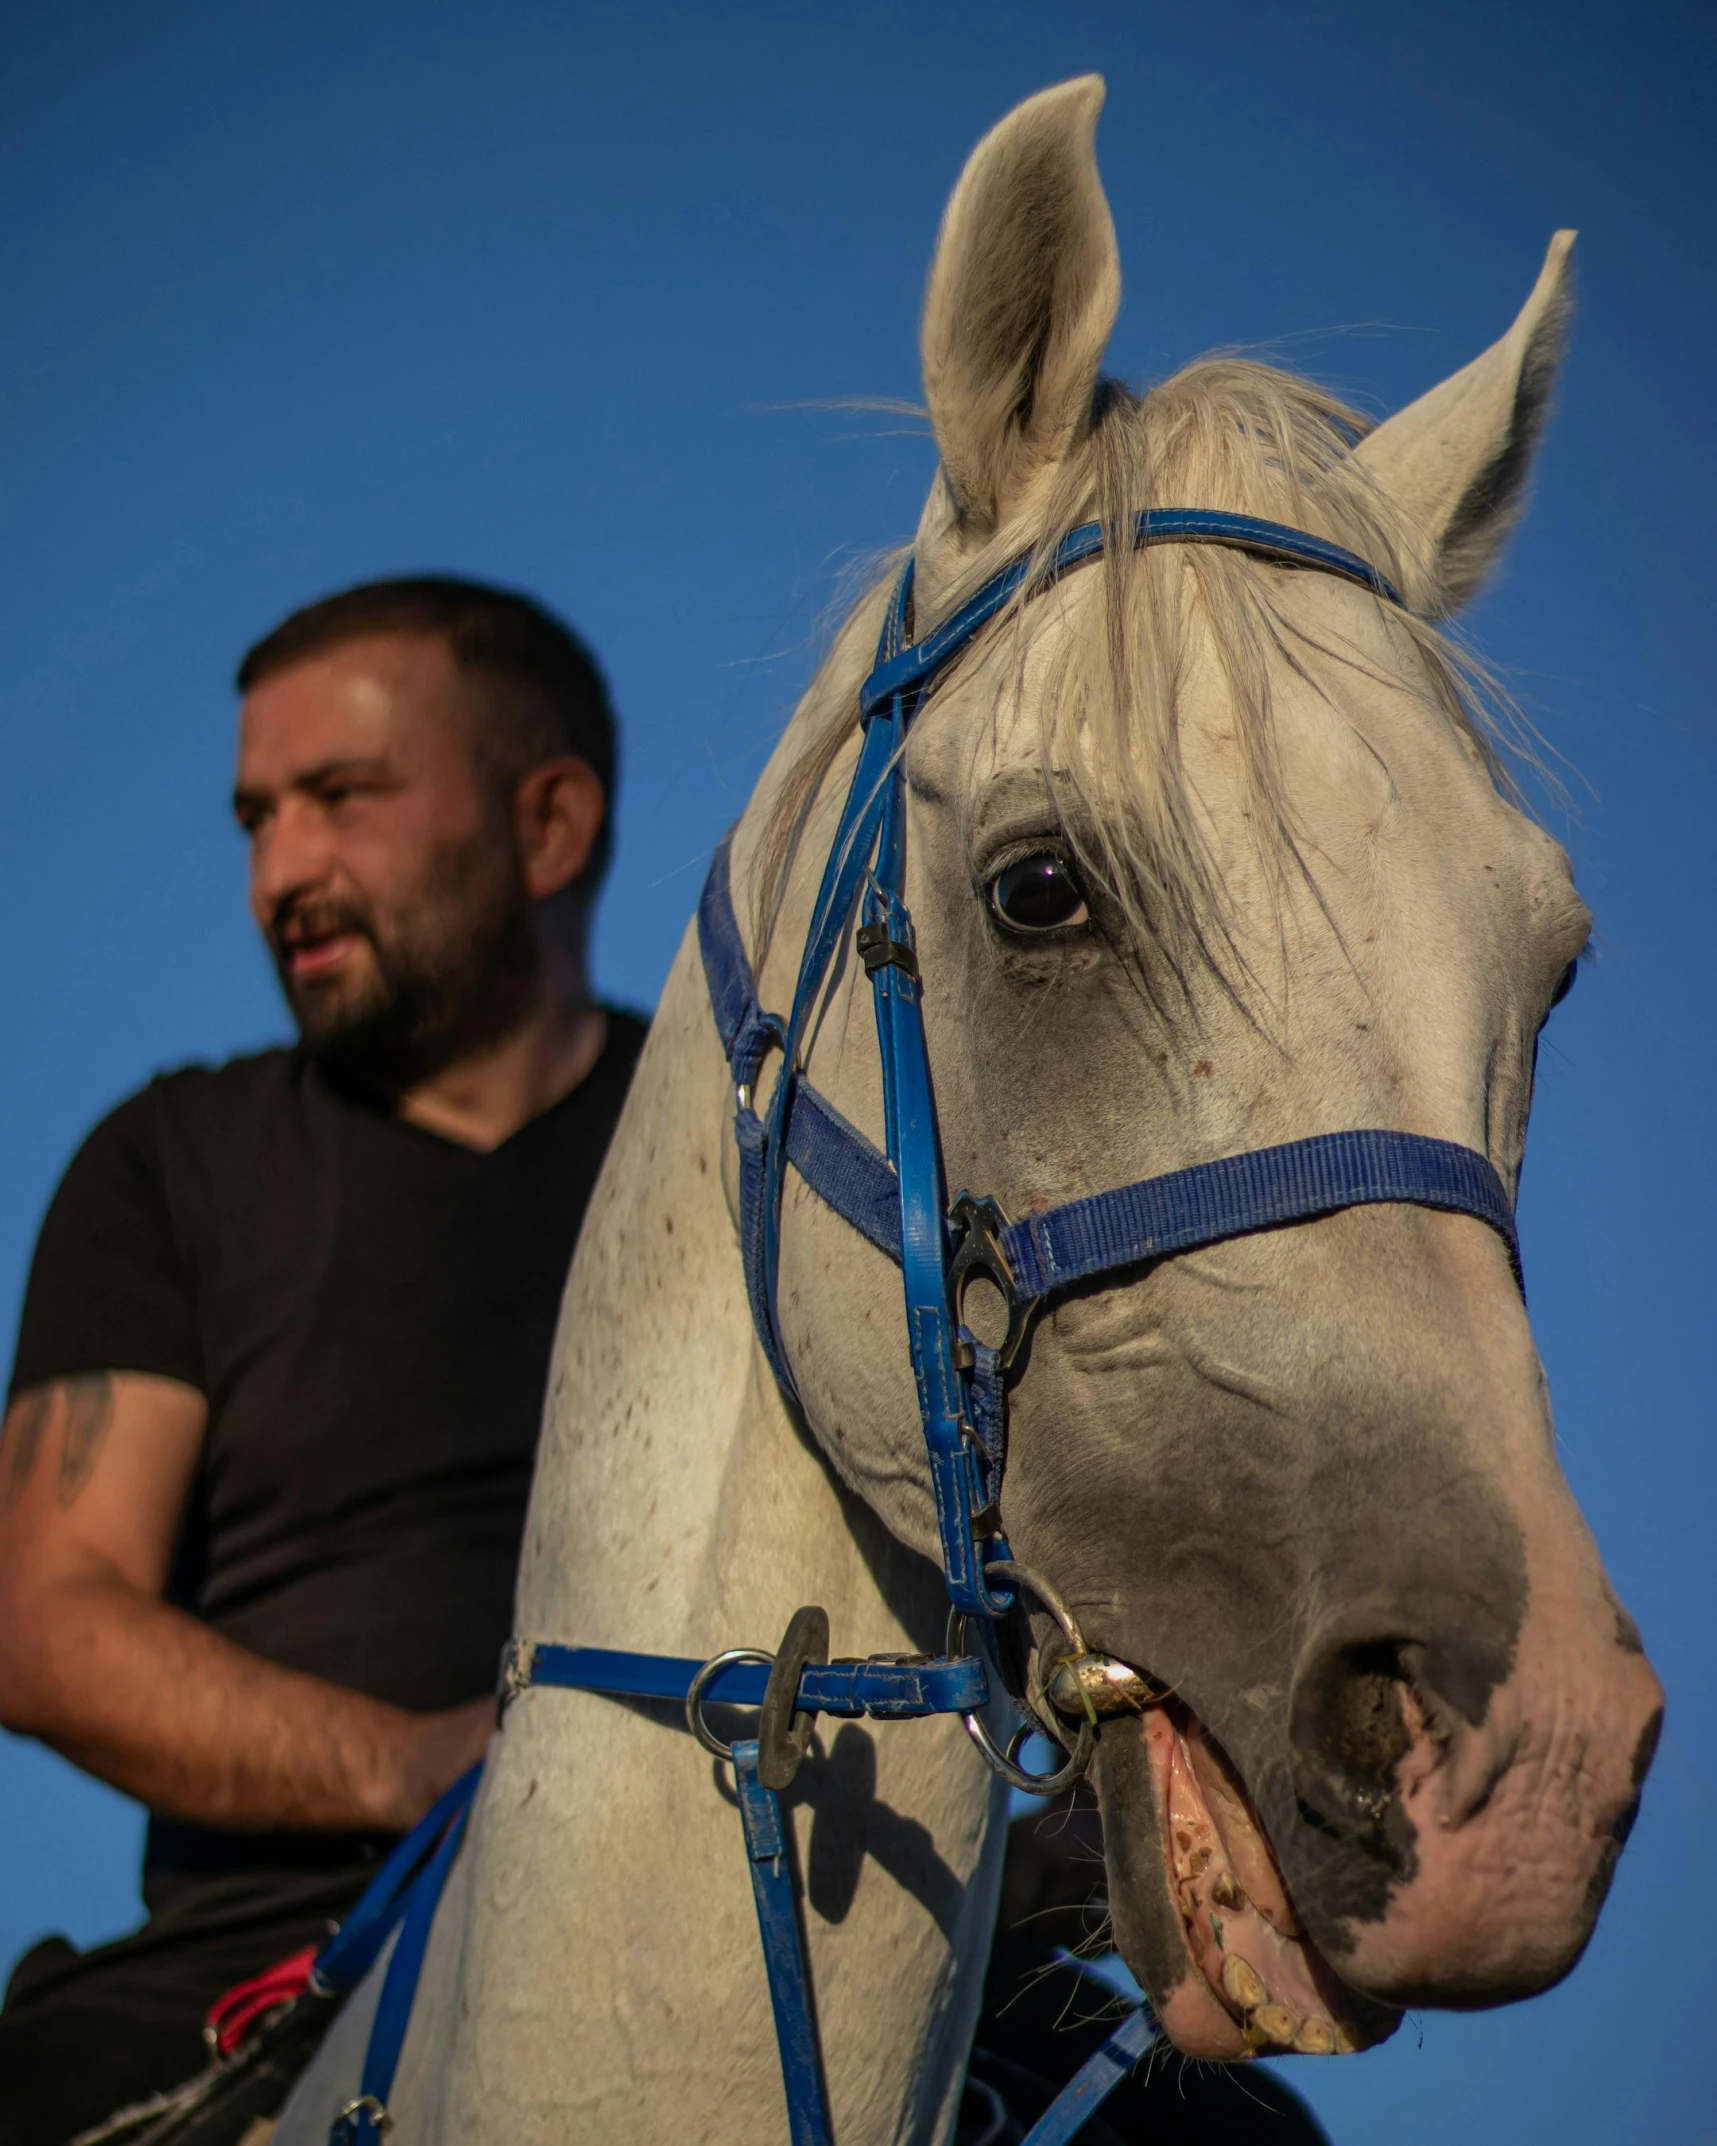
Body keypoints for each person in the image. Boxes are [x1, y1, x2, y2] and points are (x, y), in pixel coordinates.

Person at [0, 577, 647, 2144]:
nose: (281, 870)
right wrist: (422, 1761)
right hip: (264, 1966)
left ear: (549, 824)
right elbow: (41, 1616)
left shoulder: (755, 1136)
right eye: (255, 818)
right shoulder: (170, 1164)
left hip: (738, 1881)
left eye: (341, 799)